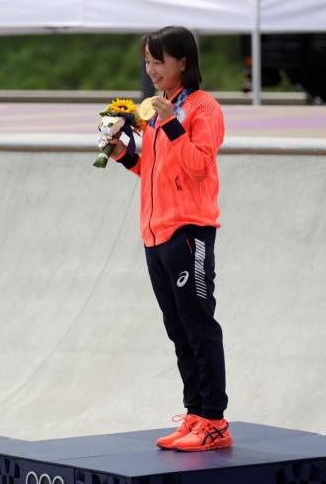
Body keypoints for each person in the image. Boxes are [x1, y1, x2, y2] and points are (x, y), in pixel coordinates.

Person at [109, 26, 232, 452]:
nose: (152, 69)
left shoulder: (201, 109)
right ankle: (195, 413)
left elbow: (198, 167)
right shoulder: (163, 112)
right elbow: (158, 171)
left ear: (183, 61)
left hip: (189, 232)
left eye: (159, 60)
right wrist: (125, 154)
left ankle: (215, 419)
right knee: (177, 328)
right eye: (147, 61)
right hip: (155, 233)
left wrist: (170, 123)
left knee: (199, 325)